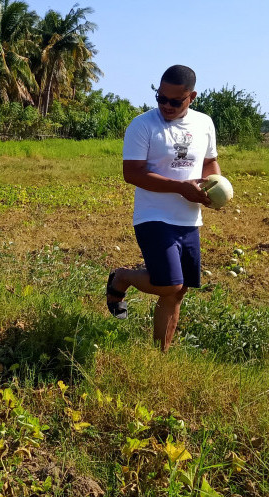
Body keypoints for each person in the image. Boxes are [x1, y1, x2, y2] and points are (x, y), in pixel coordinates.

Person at [106, 65, 221, 352]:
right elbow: (132, 173)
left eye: (175, 101)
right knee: (169, 284)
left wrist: (215, 187)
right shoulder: (143, 125)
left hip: (189, 219)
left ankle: (161, 355)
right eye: (161, 98)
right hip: (153, 215)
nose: (166, 106)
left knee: (178, 291)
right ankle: (122, 277)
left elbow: (209, 163)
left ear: (191, 97)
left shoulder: (204, 123)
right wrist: (181, 187)